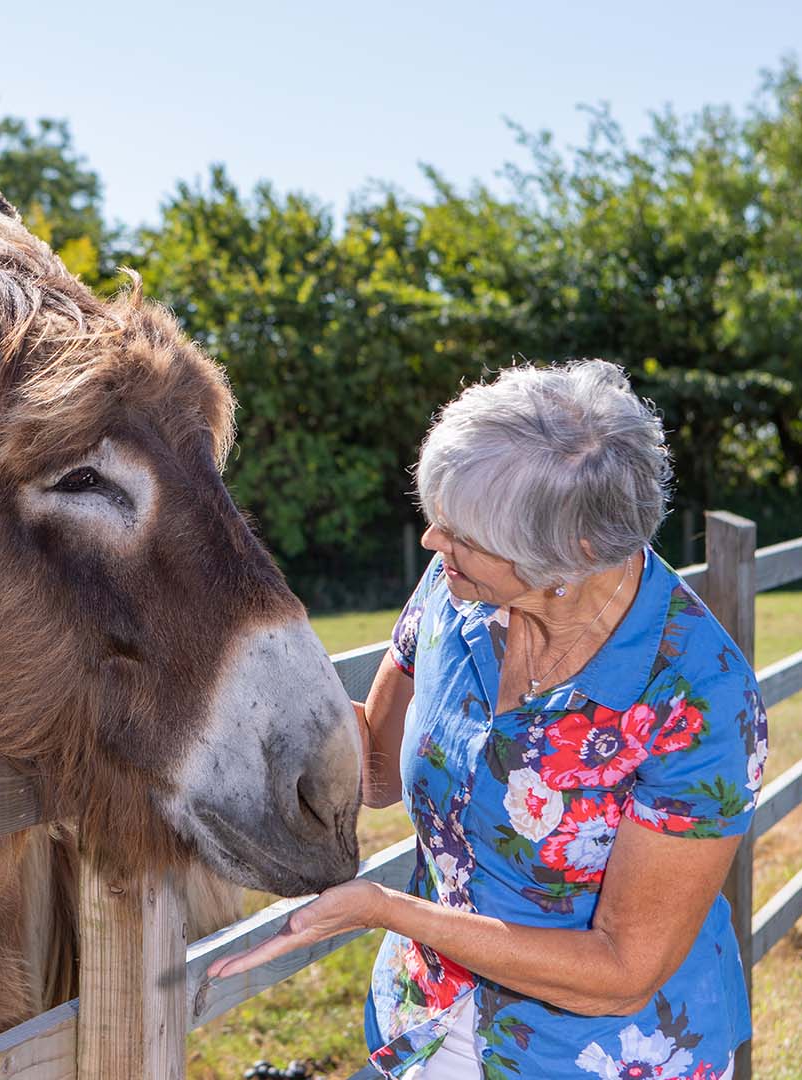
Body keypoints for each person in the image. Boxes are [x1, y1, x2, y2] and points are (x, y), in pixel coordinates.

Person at [208, 360, 768, 1079]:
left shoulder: (697, 697)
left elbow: (623, 970)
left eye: (464, 532)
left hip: (598, 1057)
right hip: (428, 1025)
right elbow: (375, 768)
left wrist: (389, 911)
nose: (433, 542)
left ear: (575, 553)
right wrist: (231, 705)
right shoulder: (453, 595)